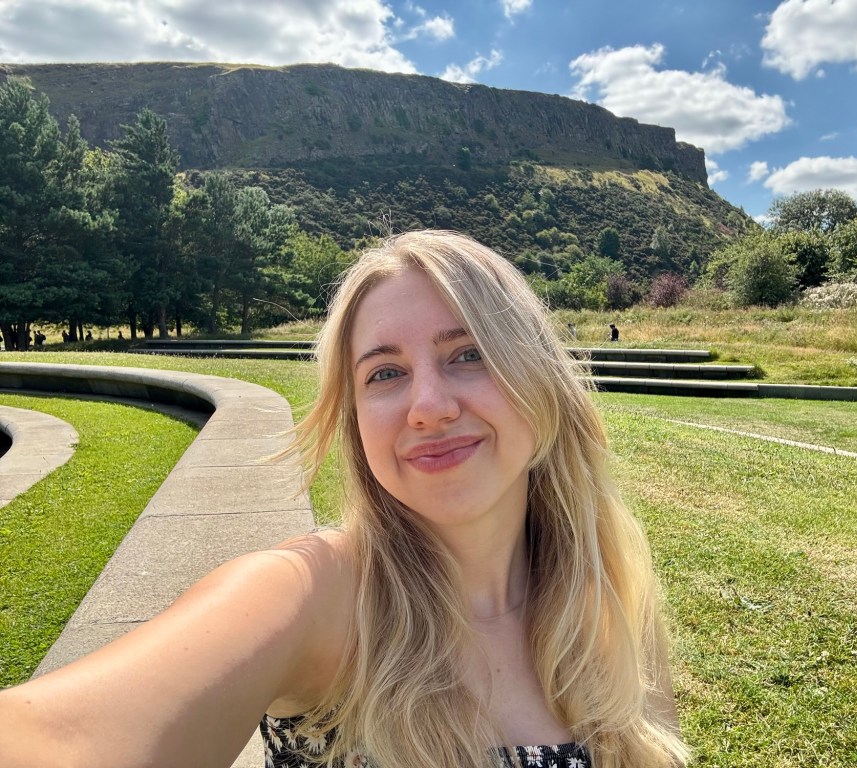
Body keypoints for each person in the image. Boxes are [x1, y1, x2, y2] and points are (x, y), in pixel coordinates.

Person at [0, 230, 689, 768]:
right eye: (385, 373)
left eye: (468, 353)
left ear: (540, 379)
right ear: (356, 420)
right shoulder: (317, 594)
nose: (427, 407)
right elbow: (61, 741)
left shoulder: (609, 599)